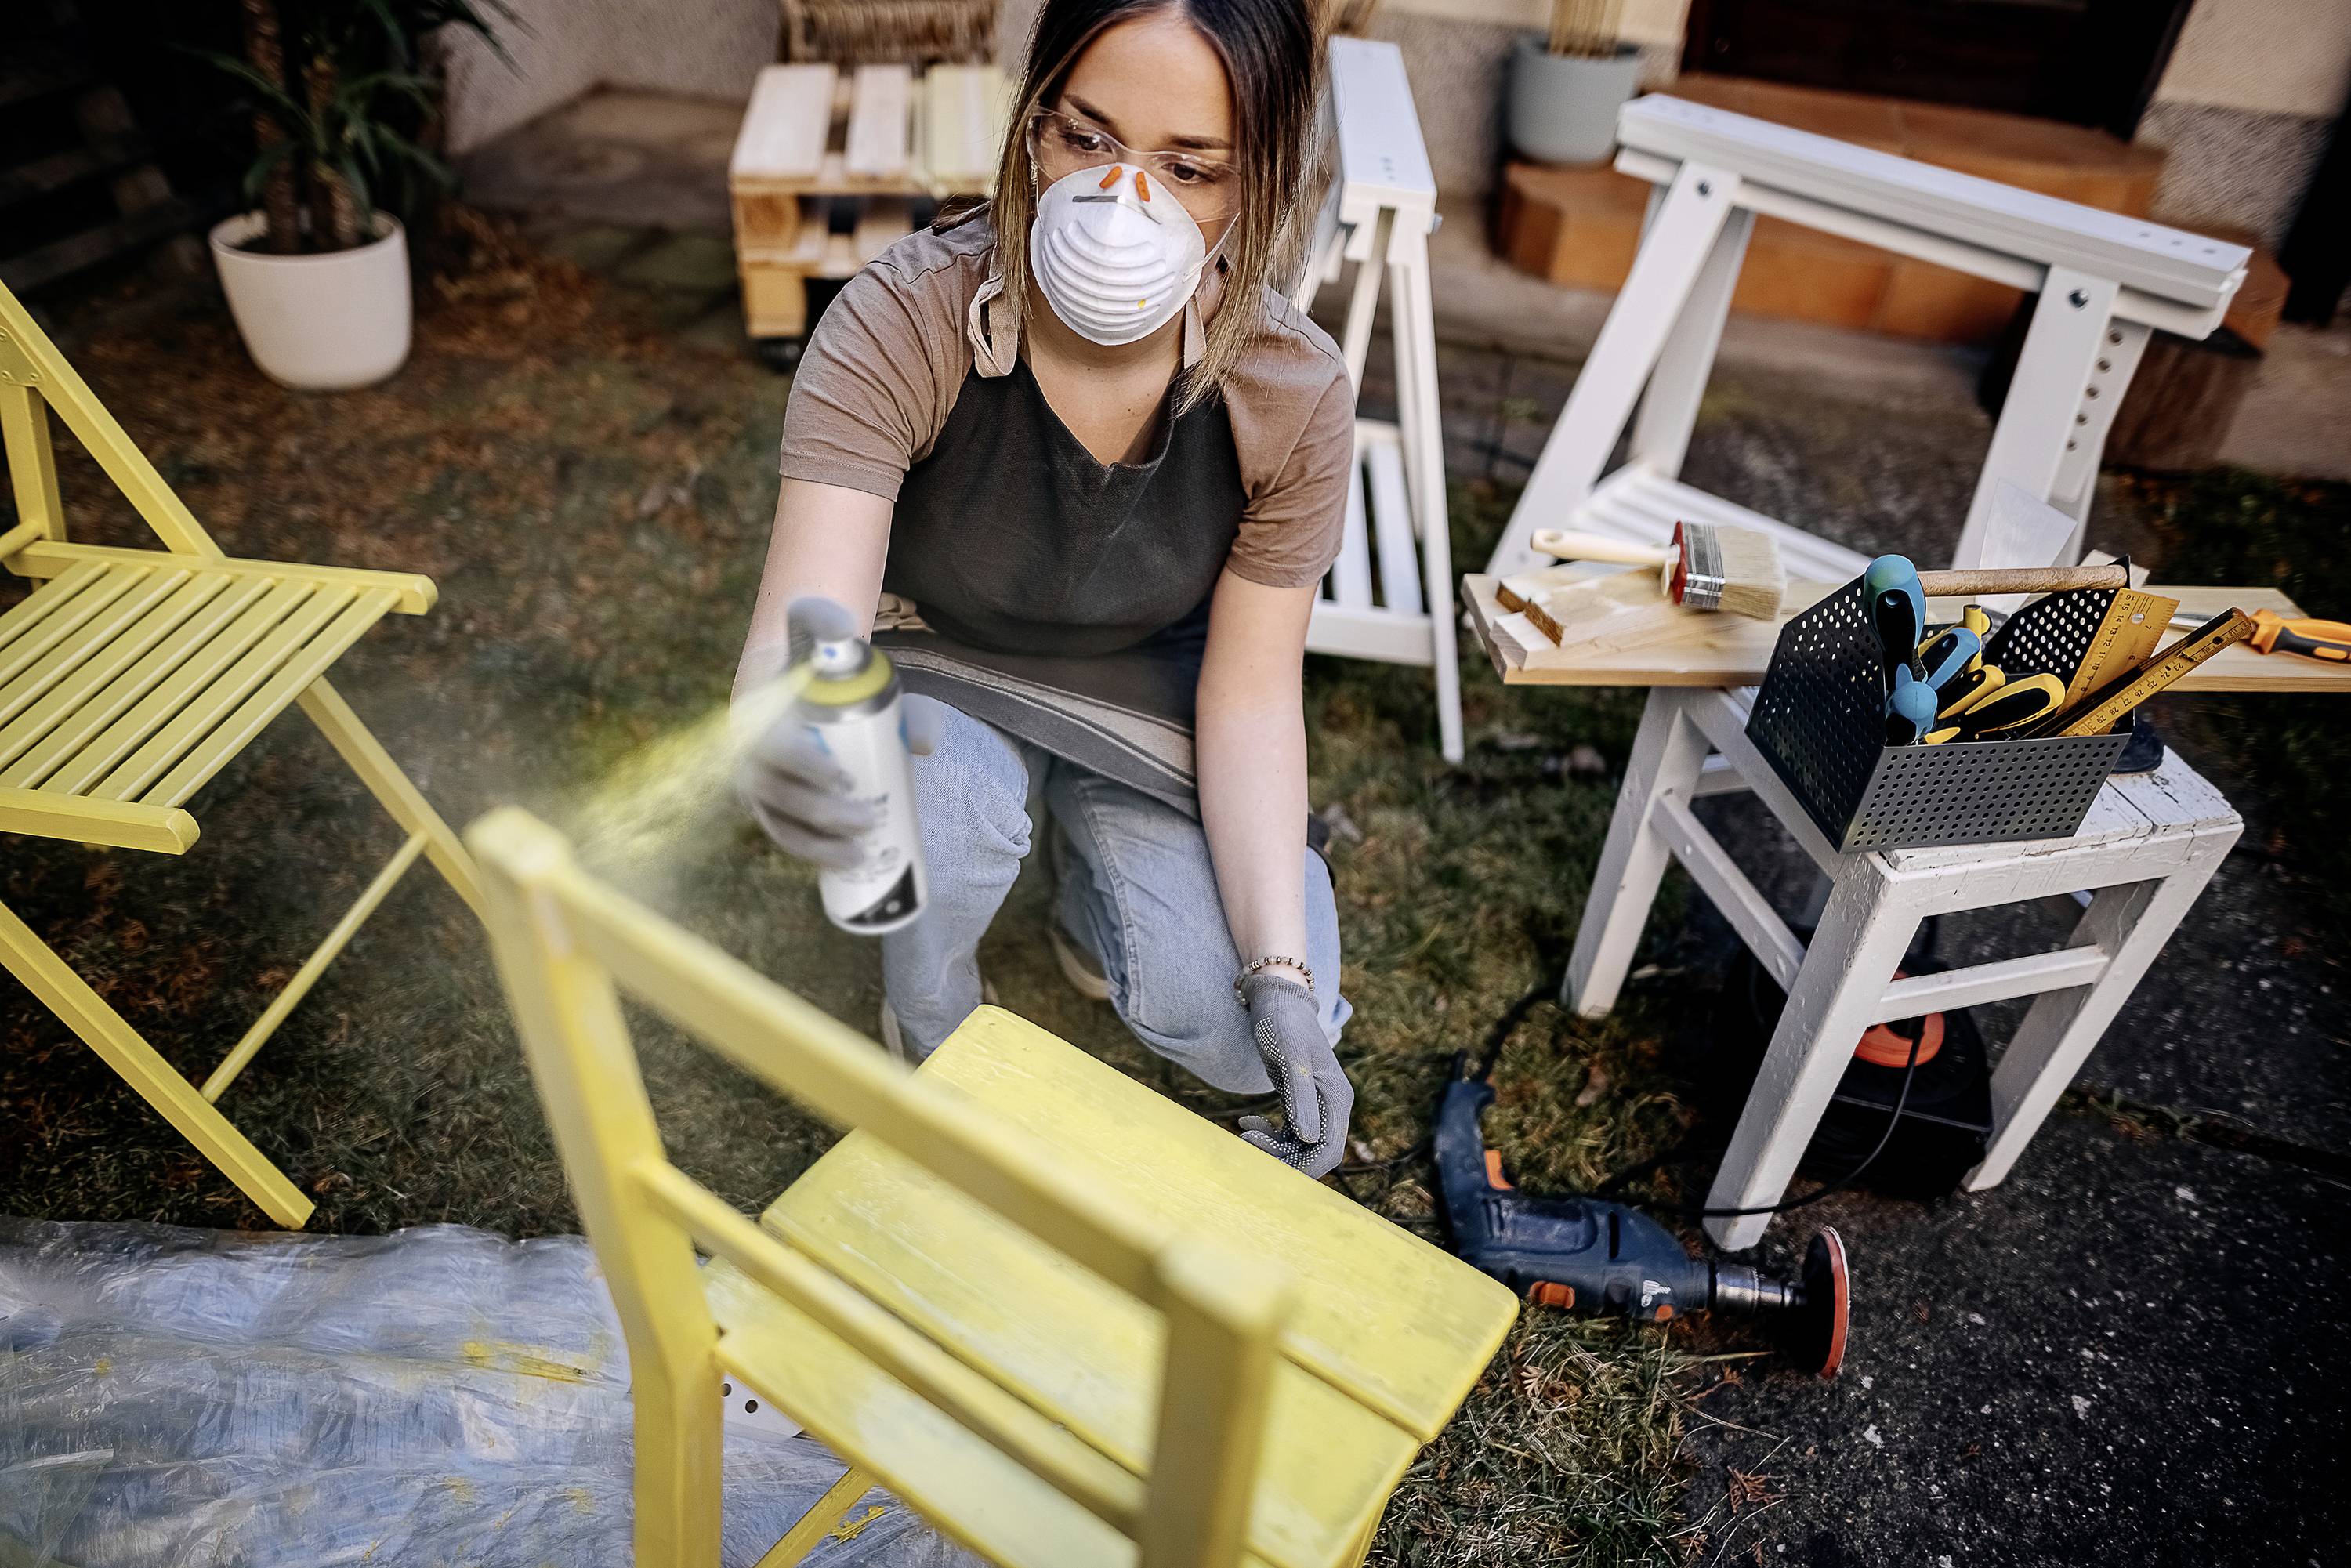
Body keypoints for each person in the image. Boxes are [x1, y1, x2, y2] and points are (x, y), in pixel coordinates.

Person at [735, 0, 1357, 1175]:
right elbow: (806, 629)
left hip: (1146, 695)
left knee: (1247, 1036)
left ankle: (1088, 896)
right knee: (938, 802)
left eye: (1189, 168)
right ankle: (928, 1022)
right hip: (940, 658)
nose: (1123, 203)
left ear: (1260, 187)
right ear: (1031, 124)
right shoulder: (906, 316)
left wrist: (1279, 976)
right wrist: (793, 737)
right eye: (1087, 138)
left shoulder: (1291, 391)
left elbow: (1251, 696)